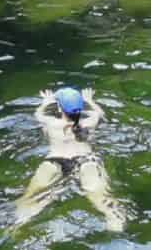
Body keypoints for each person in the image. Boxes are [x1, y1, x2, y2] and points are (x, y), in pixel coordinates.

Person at [15, 85, 127, 231]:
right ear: (80, 109)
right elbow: (100, 113)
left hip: (54, 161)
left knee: (31, 197)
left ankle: (15, 227)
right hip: (86, 161)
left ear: (60, 109)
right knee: (102, 198)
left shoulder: (50, 122)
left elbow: (37, 114)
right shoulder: (90, 121)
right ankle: (116, 228)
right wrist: (90, 101)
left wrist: (46, 102)